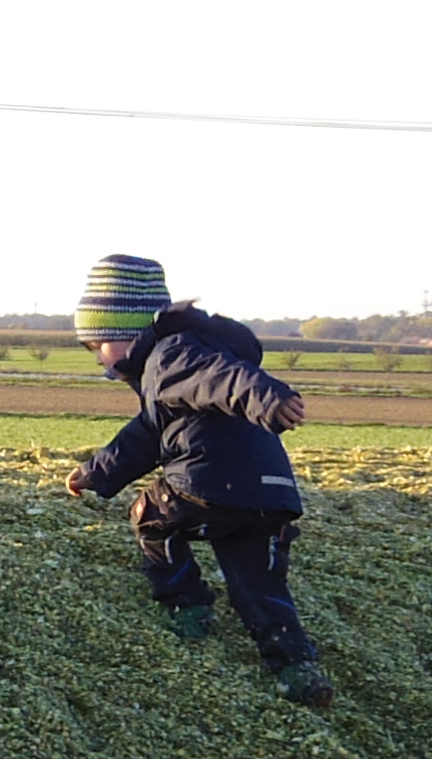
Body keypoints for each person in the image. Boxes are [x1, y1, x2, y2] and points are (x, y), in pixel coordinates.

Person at [61, 252, 332, 707]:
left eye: (97, 345)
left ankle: (187, 604)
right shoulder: (195, 351)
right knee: (260, 585)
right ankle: (296, 668)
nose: (97, 360)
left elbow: (220, 381)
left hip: (207, 485)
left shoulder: (172, 356)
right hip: (271, 495)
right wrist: (95, 473)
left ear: (126, 332)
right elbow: (149, 434)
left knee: (150, 517)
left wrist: (267, 397)